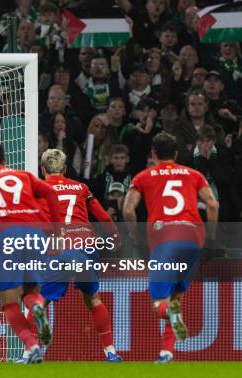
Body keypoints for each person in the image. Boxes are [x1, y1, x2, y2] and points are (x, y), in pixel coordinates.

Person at [0, 142, 64, 364]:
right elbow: (50, 192)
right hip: (36, 234)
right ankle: (37, 307)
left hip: (5, 235)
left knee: (9, 302)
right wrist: (56, 230)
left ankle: (32, 346)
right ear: (5, 159)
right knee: (31, 289)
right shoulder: (25, 175)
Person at [122, 132, 219, 363]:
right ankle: (167, 353)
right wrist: (211, 239)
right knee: (175, 298)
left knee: (159, 303)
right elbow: (213, 204)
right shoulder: (193, 174)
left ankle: (169, 327)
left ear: (153, 154)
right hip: (192, 238)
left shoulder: (143, 177)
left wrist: (136, 238)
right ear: (176, 154)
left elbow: (127, 209)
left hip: (165, 239)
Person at [38, 149, 122, 362]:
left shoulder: (38, 188)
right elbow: (101, 214)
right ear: (65, 169)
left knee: (41, 301)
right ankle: (111, 352)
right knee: (93, 299)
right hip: (85, 245)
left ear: (42, 169)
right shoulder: (81, 187)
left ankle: (29, 352)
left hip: (60, 246)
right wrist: (114, 234)